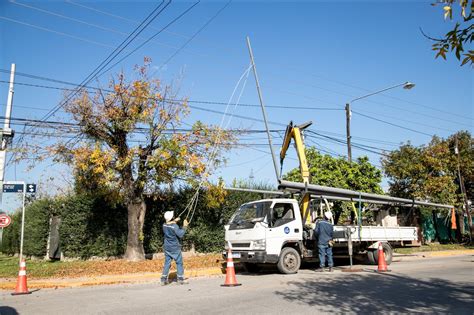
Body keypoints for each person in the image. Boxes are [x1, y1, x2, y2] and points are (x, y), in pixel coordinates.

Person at [161, 211, 189, 285]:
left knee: (167, 263)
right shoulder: (174, 226)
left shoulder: (164, 225)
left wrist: (175, 221)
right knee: (179, 263)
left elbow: (170, 224)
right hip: (175, 247)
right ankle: (180, 279)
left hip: (167, 247)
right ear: (171, 218)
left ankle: (163, 280)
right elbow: (181, 234)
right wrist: (185, 226)